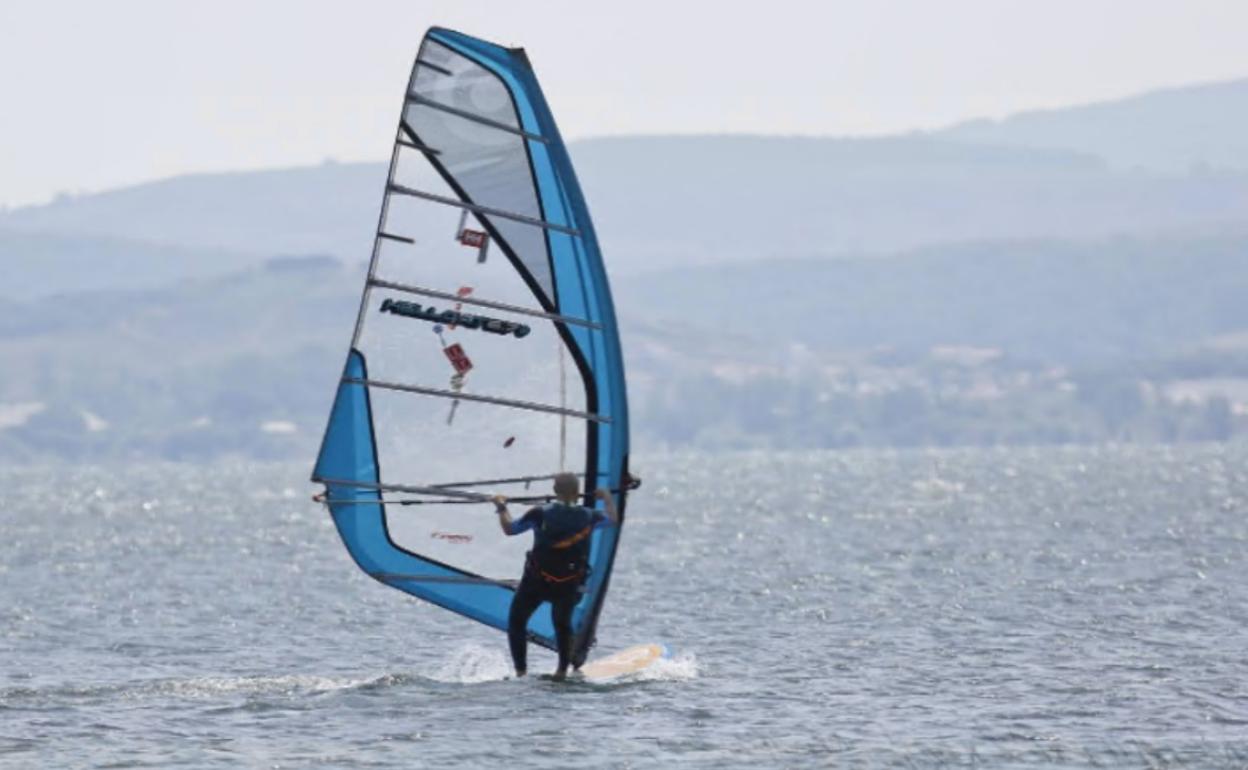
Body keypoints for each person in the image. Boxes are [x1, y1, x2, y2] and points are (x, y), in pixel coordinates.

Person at [493, 472, 618, 680]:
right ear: (578, 493)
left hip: (536, 581)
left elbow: (510, 528)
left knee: (517, 621)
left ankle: (521, 672)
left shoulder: (539, 513)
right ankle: (561, 671)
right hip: (568, 584)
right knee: (562, 624)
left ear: (554, 491)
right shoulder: (591, 516)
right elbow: (612, 519)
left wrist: (501, 506)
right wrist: (605, 498)